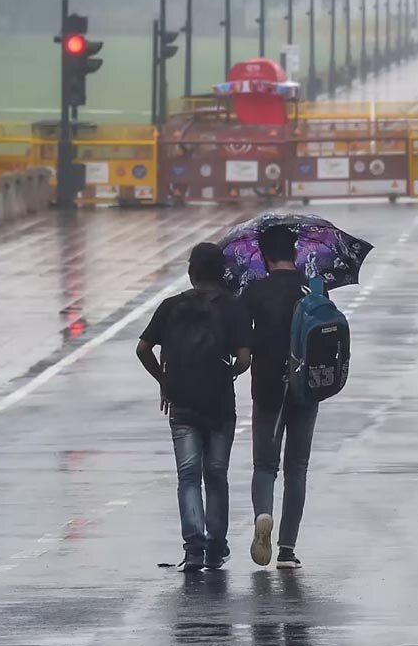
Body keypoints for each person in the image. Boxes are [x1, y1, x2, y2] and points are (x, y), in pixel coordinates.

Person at [136, 243, 252, 573]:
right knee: (216, 474)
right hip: (219, 404)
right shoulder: (233, 307)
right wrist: (228, 373)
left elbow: (143, 348)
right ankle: (216, 544)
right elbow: (244, 359)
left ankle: (194, 548)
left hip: (182, 402)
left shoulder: (171, 306)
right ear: (221, 273)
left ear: (191, 272)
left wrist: (164, 380)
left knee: (188, 476)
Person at [241, 225, 319, 570]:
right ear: (296, 251)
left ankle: (263, 516)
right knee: (297, 468)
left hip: (268, 386)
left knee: (264, 465)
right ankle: (287, 549)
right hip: (307, 386)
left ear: (264, 254)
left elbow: (243, 342)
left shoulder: (254, 292)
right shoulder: (314, 288)